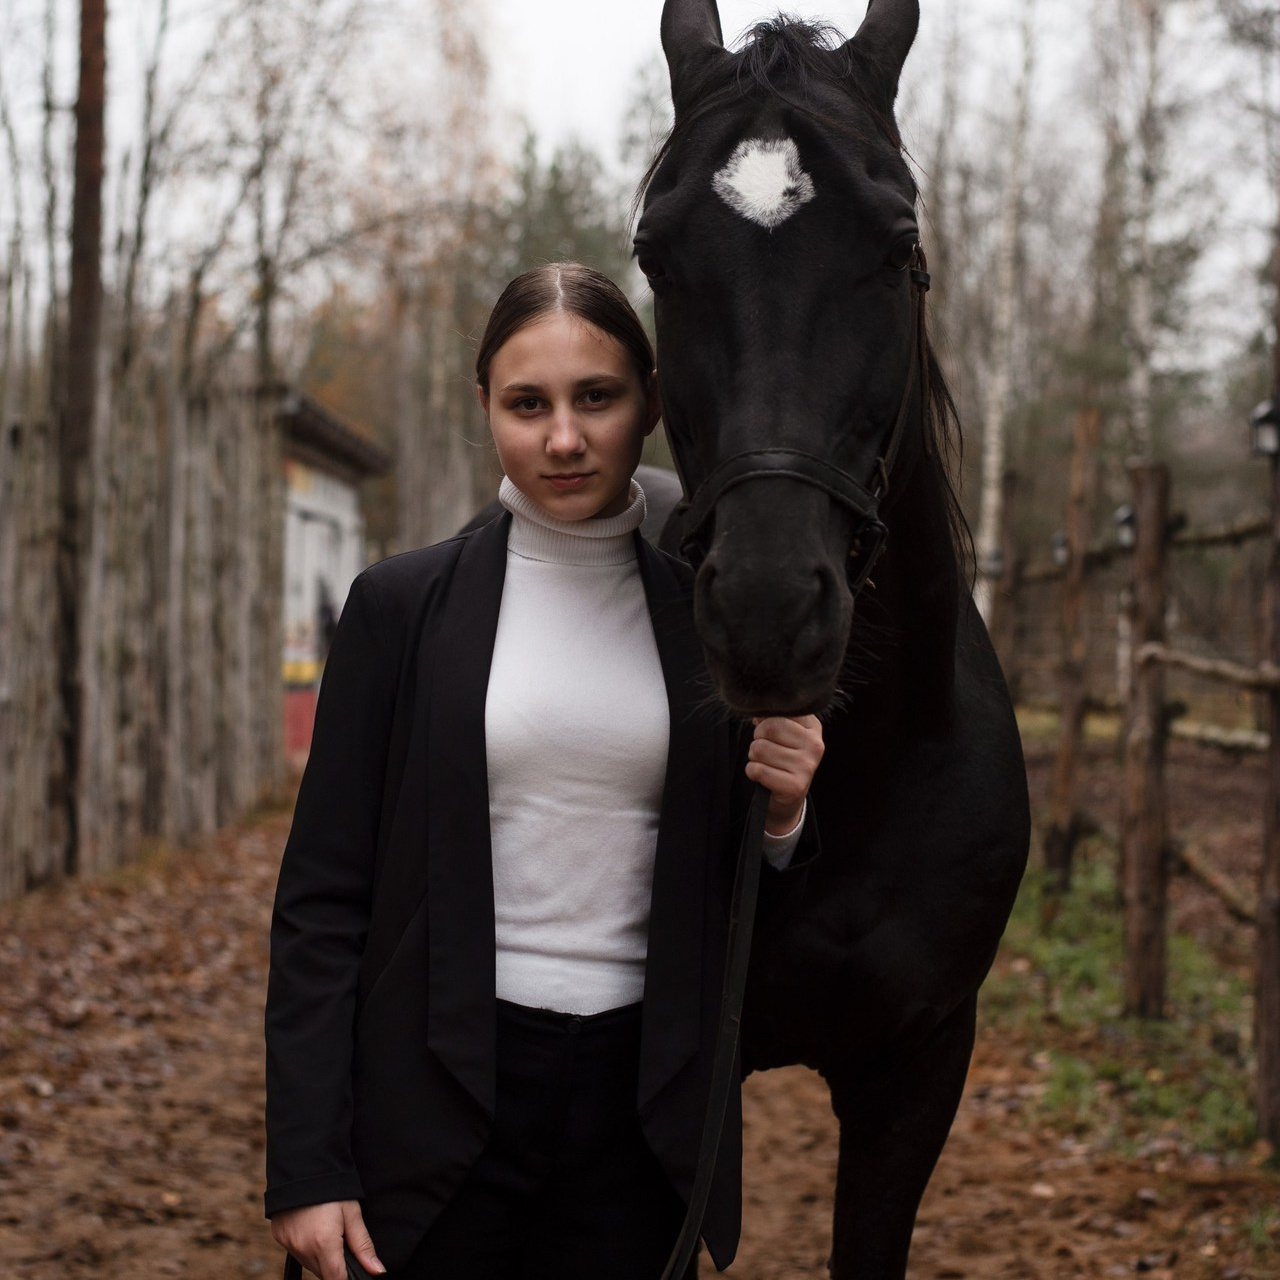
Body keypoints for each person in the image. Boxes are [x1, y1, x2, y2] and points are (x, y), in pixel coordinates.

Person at [264, 263, 824, 1280]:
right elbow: (320, 902)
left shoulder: (708, 628)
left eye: (594, 397)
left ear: (649, 403)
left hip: (636, 1115)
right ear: (486, 408)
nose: (562, 438)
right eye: (528, 404)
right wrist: (308, 1161)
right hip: (431, 1096)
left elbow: (739, 918)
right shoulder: (397, 608)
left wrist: (782, 814)